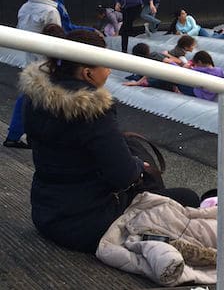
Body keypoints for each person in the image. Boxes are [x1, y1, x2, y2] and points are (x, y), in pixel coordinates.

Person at [21, 29, 199, 253]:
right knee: (188, 197)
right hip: (86, 222)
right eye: (105, 64)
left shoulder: (36, 98)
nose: (109, 70)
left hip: (46, 211)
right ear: (87, 73)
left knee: (130, 147)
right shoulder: (92, 110)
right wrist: (138, 165)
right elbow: (123, 176)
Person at [3, 0, 62, 149]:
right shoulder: (51, 12)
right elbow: (57, 41)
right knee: (45, 101)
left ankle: (14, 134)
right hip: (46, 64)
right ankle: (41, 136)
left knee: (27, 98)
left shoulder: (25, 7)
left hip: (30, 62)